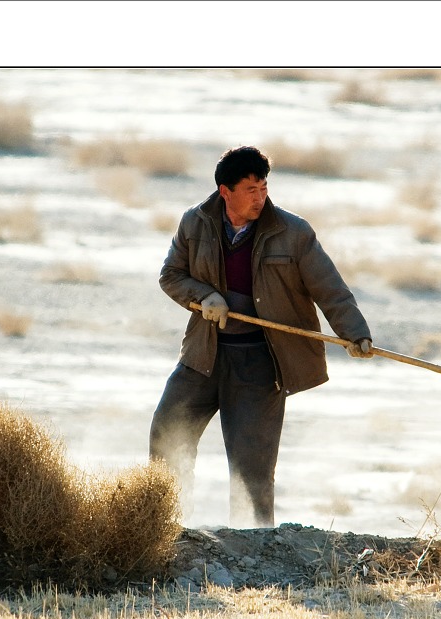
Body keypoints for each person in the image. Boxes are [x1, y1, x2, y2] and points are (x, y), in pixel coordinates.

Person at [149, 145, 373, 528]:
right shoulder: (194, 223)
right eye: (251, 189)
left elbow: (330, 289)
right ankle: (164, 530)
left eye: (264, 187)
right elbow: (171, 275)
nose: (260, 197)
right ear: (225, 191)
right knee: (166, 439)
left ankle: (254, 553)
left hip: (259, 366)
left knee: (252, 469)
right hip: (203, 356)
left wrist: (355, 333)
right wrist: (205, 296)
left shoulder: (293, 233)